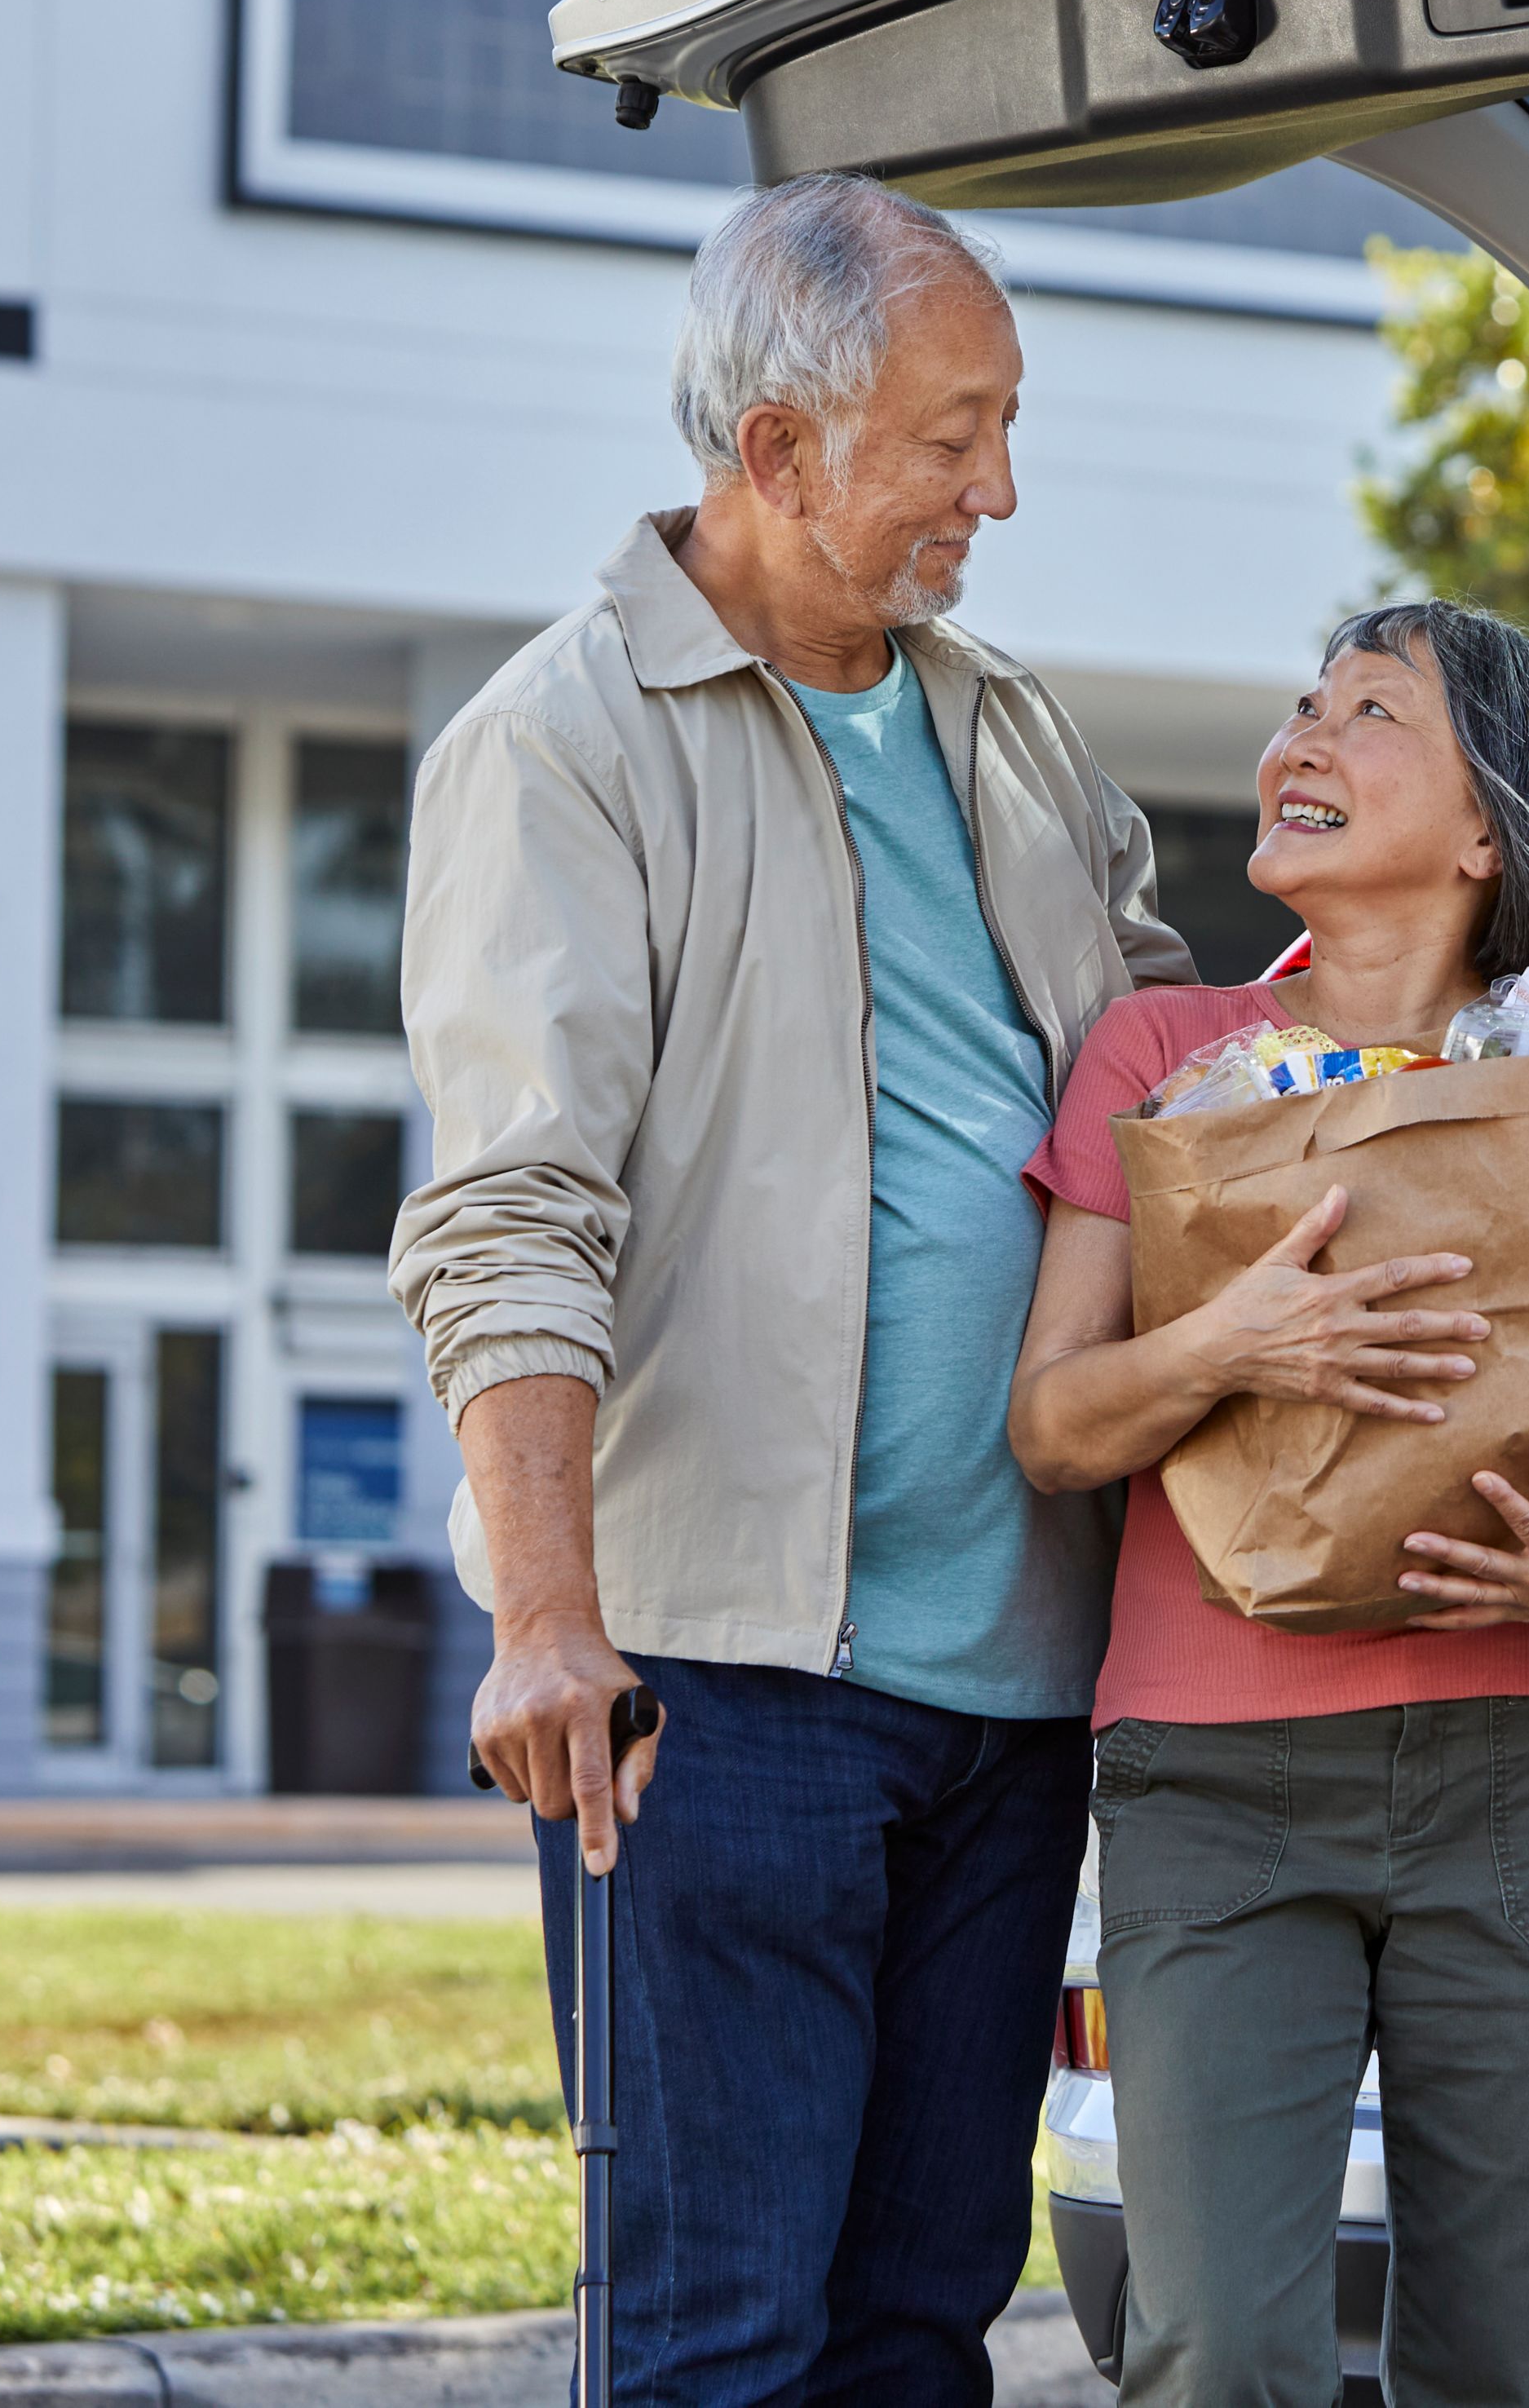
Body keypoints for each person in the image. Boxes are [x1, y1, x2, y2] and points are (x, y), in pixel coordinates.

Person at [391, 172, 1195, 2406]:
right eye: (954, 435)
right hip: (716, 1682)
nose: (998, 490)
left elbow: (1165, 1083)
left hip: (1017, 1680)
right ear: (777, 449)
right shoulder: (568, 744)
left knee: (920, 2330)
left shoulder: (1009, 732)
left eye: (1005, 427)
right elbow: (510, 1204)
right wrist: (549, 1608)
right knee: (720, 2339)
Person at [1010, 599, 1529, 2408]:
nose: (1300, 736)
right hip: (1213, 1788)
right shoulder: (1165, 1058)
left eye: (1368, 710)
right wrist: (1233, 1336)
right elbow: (1056, 1424)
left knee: (1507, 2364)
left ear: (1483, 832)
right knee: (1214, 2351)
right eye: (1302, 701)